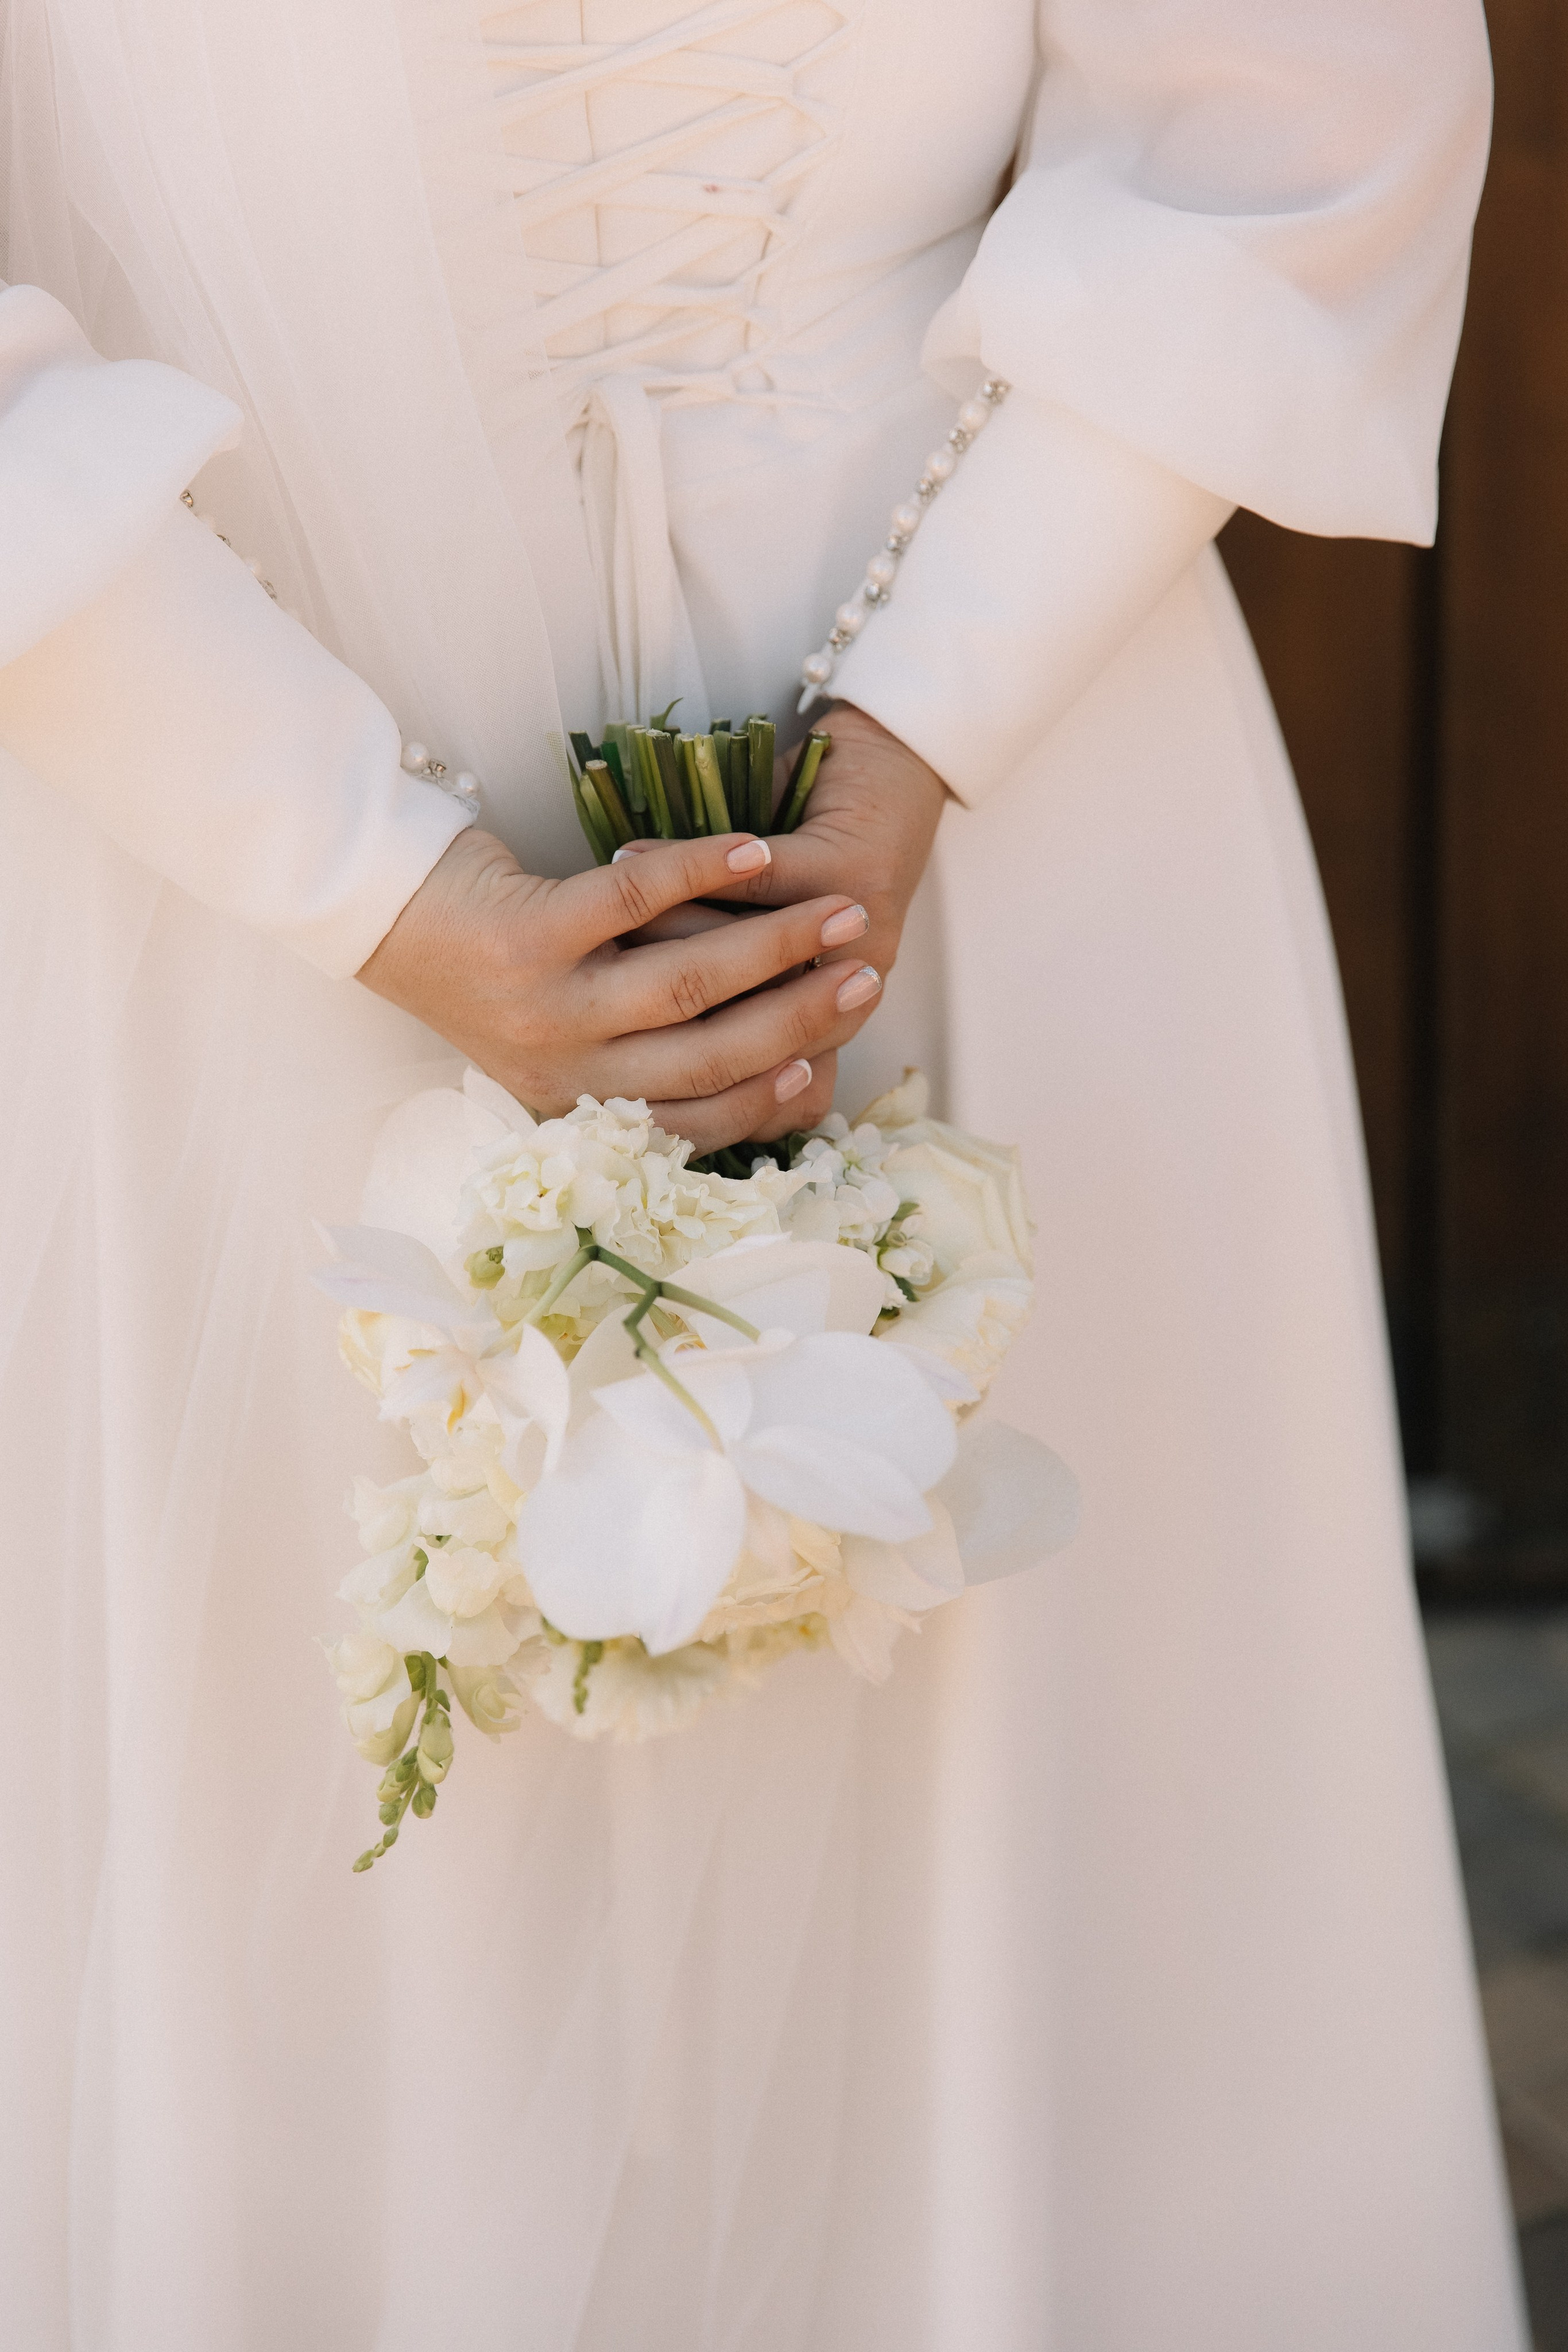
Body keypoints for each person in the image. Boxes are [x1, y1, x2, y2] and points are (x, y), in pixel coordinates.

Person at [0, 0, 1525, 2344]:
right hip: (209, 812)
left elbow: (1292, 114)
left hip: (1004, 775)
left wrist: (920, 733)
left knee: (1037, 1846)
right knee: (341, 1888)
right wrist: (362, 875)